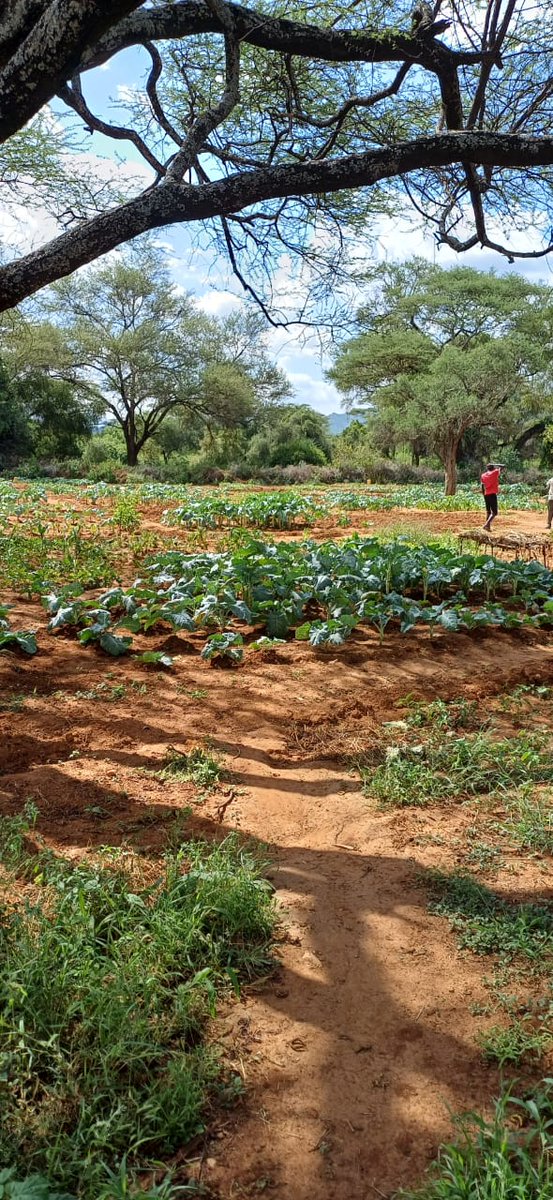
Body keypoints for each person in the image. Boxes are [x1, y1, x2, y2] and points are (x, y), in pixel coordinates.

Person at [480, 462, 504, 531]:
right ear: (493, 468)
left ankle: (488, 527)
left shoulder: (483, 475)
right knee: (495, 512)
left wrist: (483, 493)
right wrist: (497, 464)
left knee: (488, 511)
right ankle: (486, 525)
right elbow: (502, 466)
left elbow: (482, 485)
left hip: (486, 494)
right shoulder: (495, 472)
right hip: (492, 494)